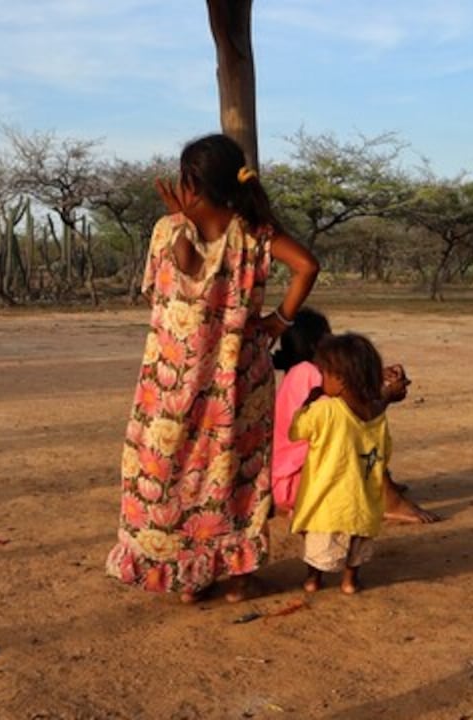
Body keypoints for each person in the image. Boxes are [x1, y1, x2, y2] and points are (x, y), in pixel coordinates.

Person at [107, 134, 319, 604]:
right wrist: (279, 321)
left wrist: (182, 219)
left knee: (170, 472)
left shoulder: (168, 230)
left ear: (192, 184)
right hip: (238, 381)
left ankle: (189, 573)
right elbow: (307, 265)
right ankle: (238, 577)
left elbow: (169, 286)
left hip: (171, 385)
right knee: (233, 474)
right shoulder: (255, 231)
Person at [271, 308, 439, 523]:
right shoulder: (308, 372)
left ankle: (380, 485)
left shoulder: (300, 372)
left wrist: (375, 374)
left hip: (288, 482)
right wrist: (387, 395)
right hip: (300, 483)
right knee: (361, 429)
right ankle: (388, 499)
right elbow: (357, 413)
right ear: (316, 345)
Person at [288, 333, 391, 595]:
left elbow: (296, 430)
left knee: (321, 544)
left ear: (341, 380)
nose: (322, 380)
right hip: (363, 499)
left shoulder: (325, 410)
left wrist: (308, 401)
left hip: (328, 500)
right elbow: (385, 451)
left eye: (325, 374)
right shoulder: (376, 414)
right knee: (357, 542)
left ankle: (313, 580)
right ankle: (349, 581)